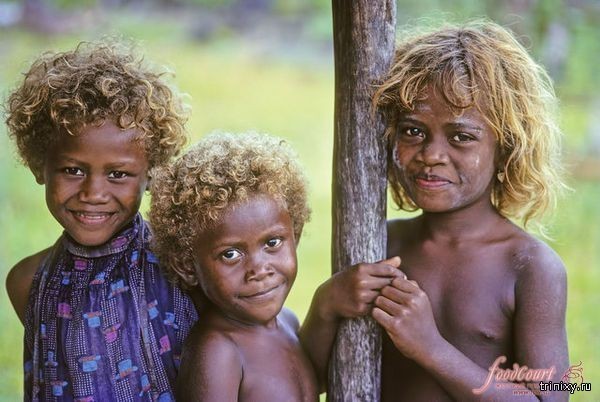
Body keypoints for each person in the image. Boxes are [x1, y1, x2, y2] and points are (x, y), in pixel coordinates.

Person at [300, 20, 569, 401]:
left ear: (506, 147)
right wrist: (325, 306)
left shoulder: (530, 267)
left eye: (461, 137)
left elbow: (556, 394)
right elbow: (307, 384)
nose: (431, 154)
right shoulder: (380, 244)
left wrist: (431, 348)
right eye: (413, 131)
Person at [5, 41, 198, 401]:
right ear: (38, 165)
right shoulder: (27, 283)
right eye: (73, 170)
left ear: (152, 172)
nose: (94, 192)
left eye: (119, 174)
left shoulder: (185, 270)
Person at [149, 132, 318, 401]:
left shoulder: (287, 321)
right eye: (230, 254)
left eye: (272, 242)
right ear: (187, 266)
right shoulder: (218, 351)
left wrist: (327, 308)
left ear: (294, 235)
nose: (258, 269)